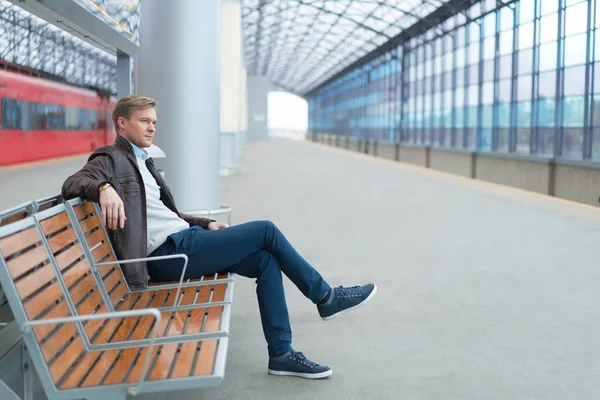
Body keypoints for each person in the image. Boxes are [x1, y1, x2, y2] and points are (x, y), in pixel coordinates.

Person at [61, 94, 377, 379]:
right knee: (265, 230)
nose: (151, 128)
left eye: (154, 122)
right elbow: (73, 183)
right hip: (167, 256)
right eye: (144, 121)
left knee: (266, 261)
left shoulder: (144, 161)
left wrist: (205, 223)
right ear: (122, 123)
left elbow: (164, 215)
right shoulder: (110, 159)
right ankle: (326, 298)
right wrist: (103, 188)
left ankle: (281, 354)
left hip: (184, 240)